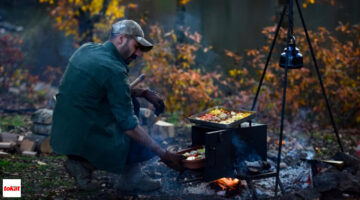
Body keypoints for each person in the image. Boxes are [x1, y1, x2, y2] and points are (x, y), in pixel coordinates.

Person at [50, 19, 184, 192]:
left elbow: (104, 90)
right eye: (136, 47)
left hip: (63, 132)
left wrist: (142, 92)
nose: (138, 54)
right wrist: (164, 155)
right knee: (133, 115)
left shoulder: (87, 49)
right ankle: (128, 177)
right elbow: (129, 126)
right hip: (84, 135)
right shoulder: (114, 69)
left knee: (130, 103)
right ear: (121, 39)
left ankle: (80, 164)